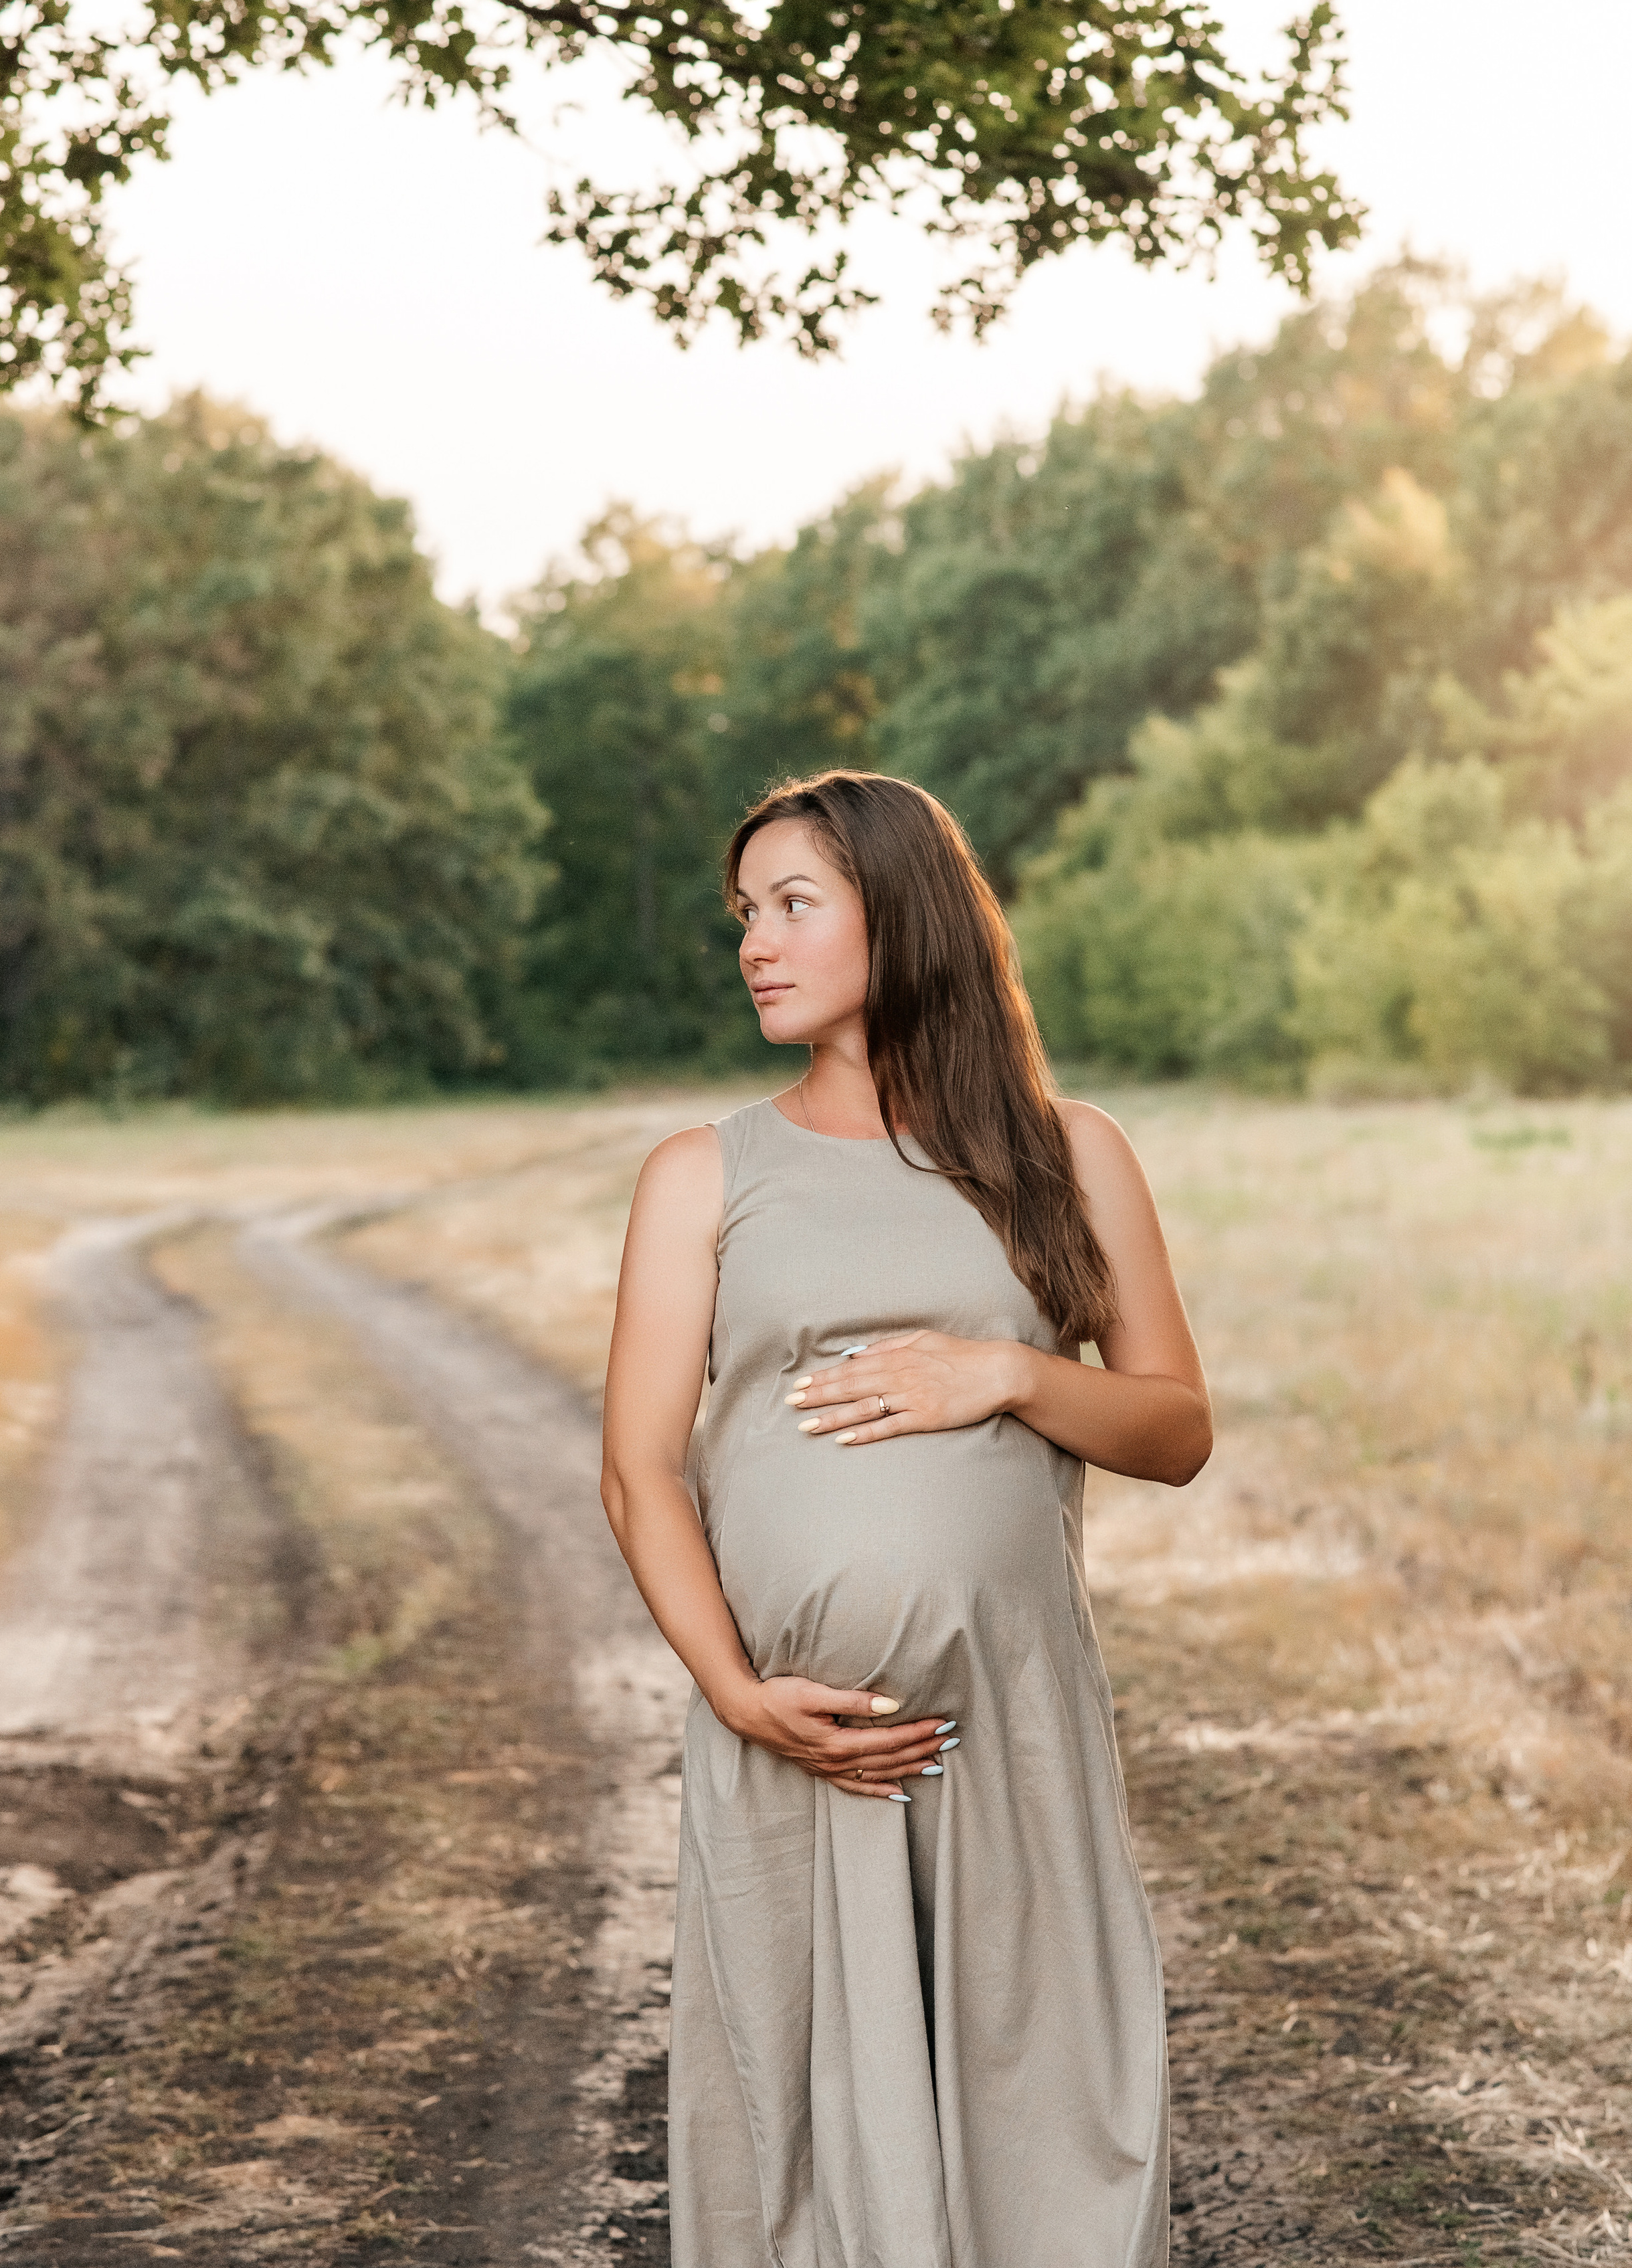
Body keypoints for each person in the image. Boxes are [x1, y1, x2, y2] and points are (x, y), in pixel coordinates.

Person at [601, 771, 1212, 2268]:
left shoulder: (1069, 1153)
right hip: (800, 1742)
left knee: (1046, 2116)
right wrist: (739, 1694)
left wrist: (1006, 1372)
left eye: (791, 905)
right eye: (744, 913)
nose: (753, 942)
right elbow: (639, 1471)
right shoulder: (703, 1175)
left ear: (902, 911)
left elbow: (1175, 1428)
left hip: (1012, 1726)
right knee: (806, 2144)